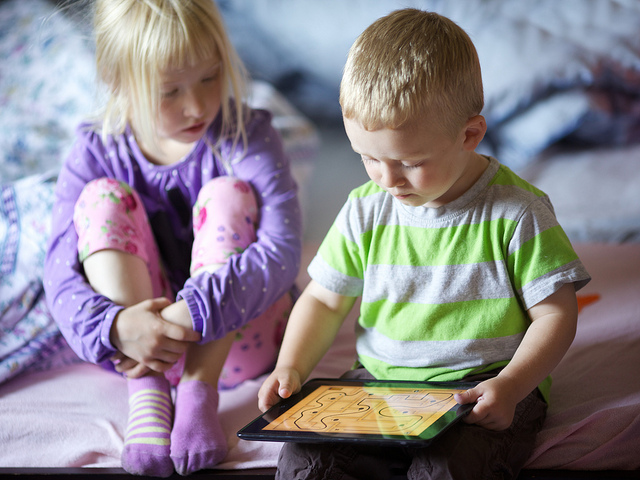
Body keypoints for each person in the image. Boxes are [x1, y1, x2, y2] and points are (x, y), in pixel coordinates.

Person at [258, 8, 590, 480]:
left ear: (469, 135)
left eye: (409, 162)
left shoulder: (518, 211)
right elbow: (324, 301)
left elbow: (556, 314)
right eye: (369, 158)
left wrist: (512, 386)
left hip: (479, 388)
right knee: (304, 462)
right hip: (376, 386)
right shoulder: (365, 208)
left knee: (445, 469)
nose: (387, 179)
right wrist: (290, 366)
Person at [43, 0, 301, 477]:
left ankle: (197, 394)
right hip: (138, 346)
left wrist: (194, 311)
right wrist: (117, 328)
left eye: (210, 77)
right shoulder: (95, 149)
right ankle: (149, 393)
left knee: (228, 194)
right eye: (170, 91)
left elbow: (281, 253)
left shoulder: (248, 134)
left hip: (240, 343)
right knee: (100, 200)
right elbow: (58, 271)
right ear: (116, 78)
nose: (198, 105)